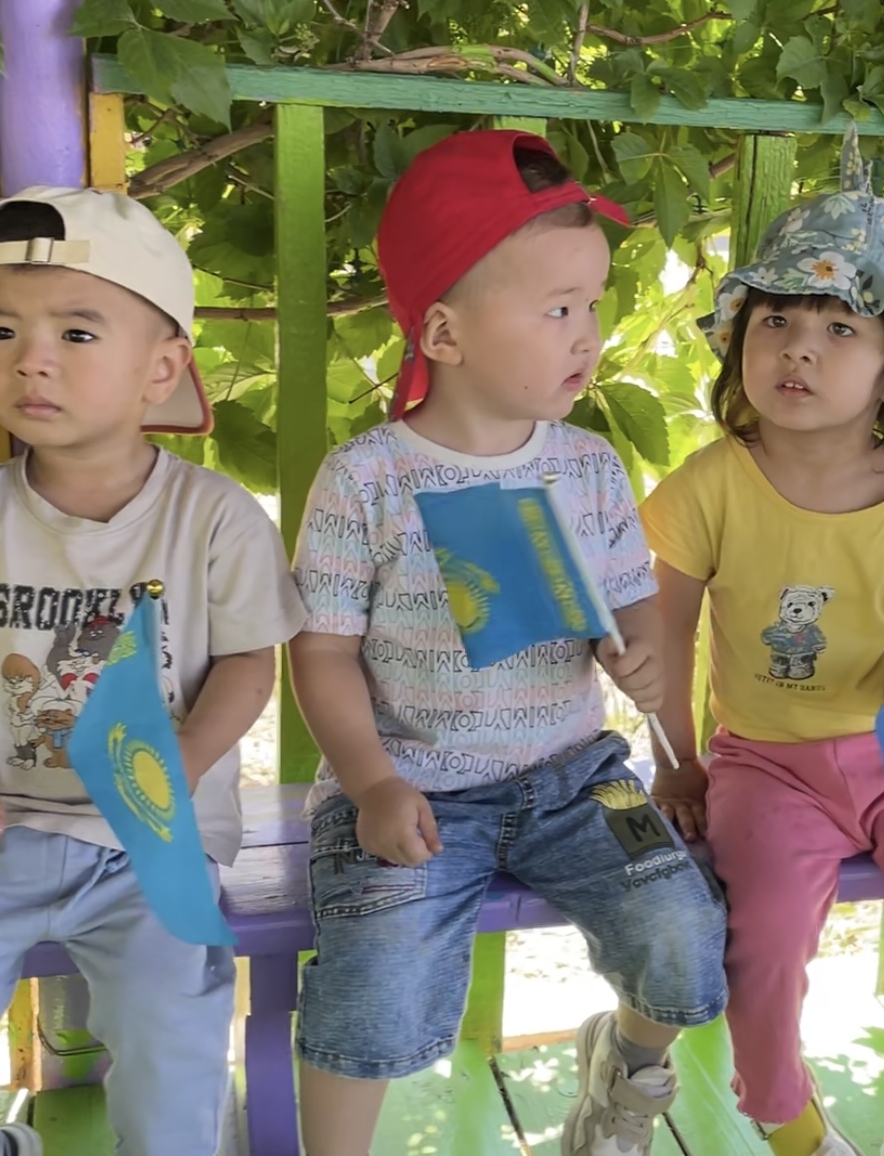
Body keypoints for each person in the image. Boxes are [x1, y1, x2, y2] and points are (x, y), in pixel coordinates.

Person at [287, 130, 728, 1156]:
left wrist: (640, 655)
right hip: (410, 784)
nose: (590, 335)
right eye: (558, 309)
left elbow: (634, 606)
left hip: (580, 778)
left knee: (680, 920)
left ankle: (625, 1075)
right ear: (444, 333)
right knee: (375, 970)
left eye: (594, 305)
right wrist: (371, 783)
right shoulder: (368, 478)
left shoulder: (588, 467)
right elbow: (319, 651)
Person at [0, 187, 303, 1156]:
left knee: (173, 1029)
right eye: (1, 331)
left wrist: (181, 762)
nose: (32, 359)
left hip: (156, 842)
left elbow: (247, 663)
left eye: (76, 332)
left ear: (162, 367)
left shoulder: (214, 519)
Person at [643, 142, 884, 1156]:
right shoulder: (708, 486)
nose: (797, 351)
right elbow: (663, 632)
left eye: (839, 327)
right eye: (775, 321)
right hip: (764, 765)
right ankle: (787, 1120)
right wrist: (678, 762)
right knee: (766, 938)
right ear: (738, 341)